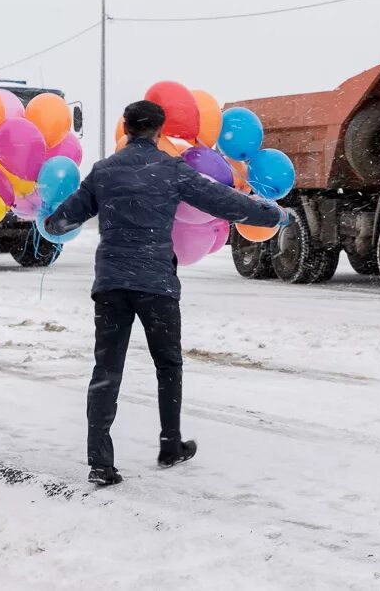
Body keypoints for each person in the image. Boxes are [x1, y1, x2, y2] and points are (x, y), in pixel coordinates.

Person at [45, 100, 288, 487]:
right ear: (159, 130)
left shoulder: (103, 172)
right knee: (168, 365)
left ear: (126, 128)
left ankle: (100, 462)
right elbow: (224, 202)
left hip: (111, 284)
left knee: (107, 370)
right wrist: (272, 214)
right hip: (156, 284)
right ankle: (170, 444)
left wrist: (49, 219)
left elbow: (62, 220)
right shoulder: (172, 170)